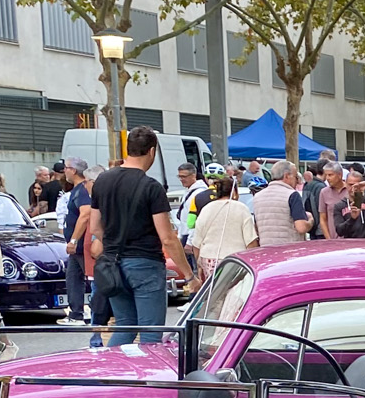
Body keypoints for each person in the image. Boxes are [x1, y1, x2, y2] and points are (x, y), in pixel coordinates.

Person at [89, 123, 196, 345]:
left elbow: (95, 227)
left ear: (128, 149)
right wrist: (189, 276)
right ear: (152, 151)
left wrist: (112, 243)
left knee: (124, 325)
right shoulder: (151, 187)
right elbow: (167, 237)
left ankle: (114, 374)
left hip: (112, 264)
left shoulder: (103, 181)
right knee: (150, 332)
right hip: (145, 264)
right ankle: (147, 378)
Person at [191, 175, 258, 274]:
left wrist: (199, 264)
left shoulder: (206, 209)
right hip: (235, 260)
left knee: (213, 289)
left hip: (208, 259)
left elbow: (196, 243)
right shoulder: (241, 208)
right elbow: (251, 242)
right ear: (234, 192)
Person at [59, 159, 93, 327]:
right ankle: (76, 314)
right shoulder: (76, 191)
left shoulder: (82, 191)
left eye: (66, 168)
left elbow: (85, 214)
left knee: (92, 278)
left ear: (73, 170)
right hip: (76, 246)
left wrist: (74, 239)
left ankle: (95, 313)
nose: (64, 172)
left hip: (81, 245)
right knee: (73, 278)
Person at [252, 160, 312, 246]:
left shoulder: (257, 196)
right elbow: (301, 227)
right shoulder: (292, 195)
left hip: (266, 249)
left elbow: (257, 228)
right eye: (296, 177)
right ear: (287, 176)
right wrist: (310, 221)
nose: (298, 181)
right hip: (289, 249)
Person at [315, 161, 347, 241]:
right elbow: (322, 218)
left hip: (351, 238)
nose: (327, 178)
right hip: (333, 239)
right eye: (326, 175)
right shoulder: (324, 192)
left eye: (330, 175)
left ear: (339, 175)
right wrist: (328, 239)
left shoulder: (350, 190)